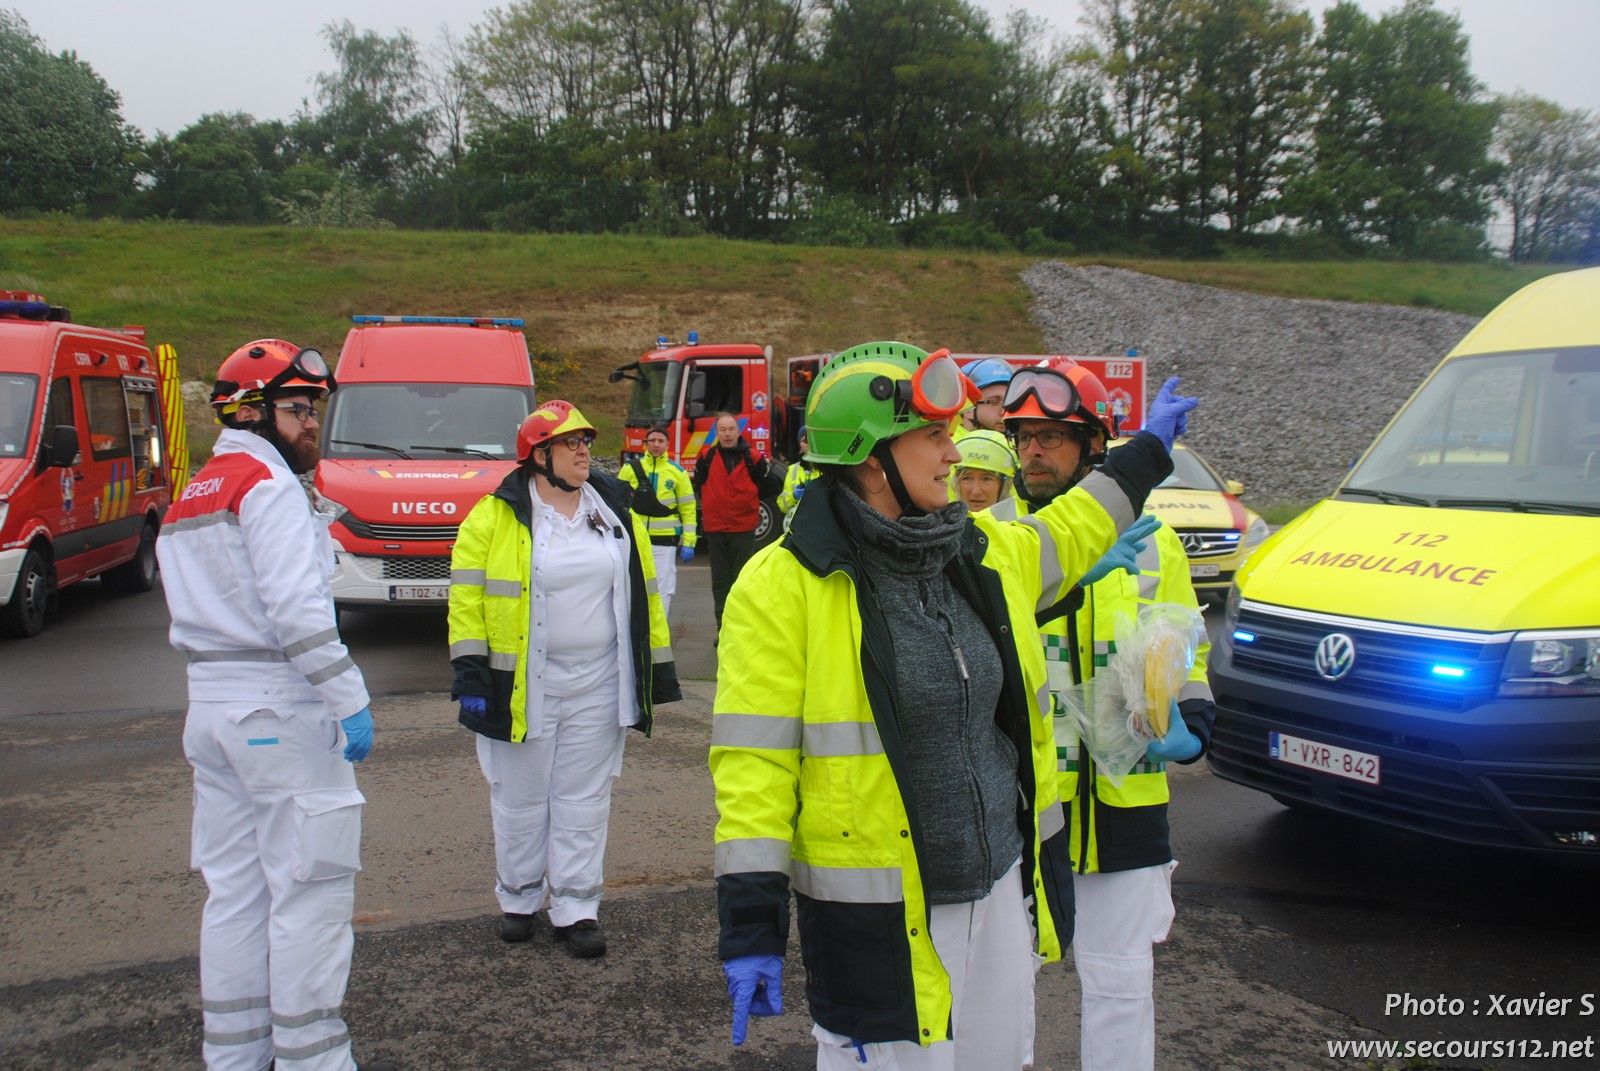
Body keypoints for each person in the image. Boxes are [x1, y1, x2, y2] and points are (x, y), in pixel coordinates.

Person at [710, 341, 1197, 1068]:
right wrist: (750, 922)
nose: (957, 451)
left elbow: (1074, 525)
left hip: (1001, 889)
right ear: (873, 457)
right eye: (935, 435)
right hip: (884, 916)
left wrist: (1150, 448)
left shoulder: (974, 548)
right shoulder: (782, 584)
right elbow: (754, 764)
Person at [158, 338, 387, 1071]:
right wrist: (349, 696)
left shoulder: (198, 488)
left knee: (234, 895)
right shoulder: (268, 487)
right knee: (310, 895)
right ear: (249, 411)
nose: (311, 423)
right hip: (278, 712)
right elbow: (296, 612)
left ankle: (235, 1055)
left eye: (315, 408)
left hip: (213, 711)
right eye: (297, 408)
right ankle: (314, 1058)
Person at [993, 357, 1215, 1071]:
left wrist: (1190, 732)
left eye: (1053, 435)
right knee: (1001, 993)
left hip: (1124, 804)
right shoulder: (996, 541)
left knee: (1121, 988)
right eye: (1024, 434)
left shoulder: (1155, 542)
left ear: (1096, 447)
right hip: (1026, 807)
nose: (1033, 449)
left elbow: (1188, 656)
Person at [449, 399, 681, 959]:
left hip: (599, 682)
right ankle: (520, 899)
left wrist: (657, 671)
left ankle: (576, 907)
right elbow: (467, 598)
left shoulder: (614, 512)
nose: (583, 451)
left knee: (583, 799)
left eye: (585, 441)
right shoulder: (494, 515)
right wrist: (471, 675)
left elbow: (643, 593)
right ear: (538, 456)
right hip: (526, 685)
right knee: (521, 800)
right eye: (570, 442)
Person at [691, 411, 772, 631]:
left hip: (743, 529)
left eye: (731, 429)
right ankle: (723, 628)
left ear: (739, 431)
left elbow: (767, 487)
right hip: (716, 529)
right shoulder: (706, 457)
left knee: (743, 581)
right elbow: (697, 484)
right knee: (720, 583)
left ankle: (742, 627)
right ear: (716, 433)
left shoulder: (753, 458)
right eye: (722, 430)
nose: (727, 434)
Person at [618, 422, 697, 618]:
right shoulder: (630, 469)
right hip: (635, 540)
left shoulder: (677, 473)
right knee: (635, 588)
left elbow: (688, 510)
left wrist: (689, 541)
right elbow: (617, 505)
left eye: (660, 440)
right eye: (652, 440)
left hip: (665, 542)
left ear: (667, 444)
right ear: (645, 444)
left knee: (662, 590)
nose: (656, 444)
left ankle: (658, 638)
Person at [953, 427, 1016, 512]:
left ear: (1005, 485)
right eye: (966, 478)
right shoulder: (940, 522)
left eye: (987, 479)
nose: (976, 491)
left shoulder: (1021, 523)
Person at [958, 356, 1014, 436]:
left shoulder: (1018, 444)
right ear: (968, 409)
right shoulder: (951, 446)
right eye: (994, 402)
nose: (1005, 412)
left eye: (1009, 401)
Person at [775, 424, 818, 529]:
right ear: (800, 446)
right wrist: (793, 496)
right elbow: (782, 505)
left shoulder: (828, 470)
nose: (808, 444)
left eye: (811, 440)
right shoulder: (793, 470)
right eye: (804, 440)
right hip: (798, 528)